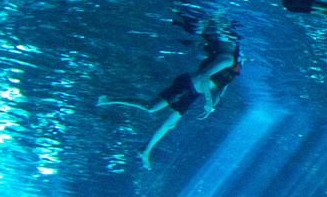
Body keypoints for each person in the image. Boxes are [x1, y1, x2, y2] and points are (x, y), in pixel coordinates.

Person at [98, 28, 240, 167]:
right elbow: (203, 76)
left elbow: (221, 88)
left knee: (170, 124)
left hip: (193, 93)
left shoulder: (233, 70)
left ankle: (146, 150)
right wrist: (208, 101)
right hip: (187, 85)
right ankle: (108, 100)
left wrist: (212, 105)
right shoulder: (227, 59)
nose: (240, 66)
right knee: (151, 107)